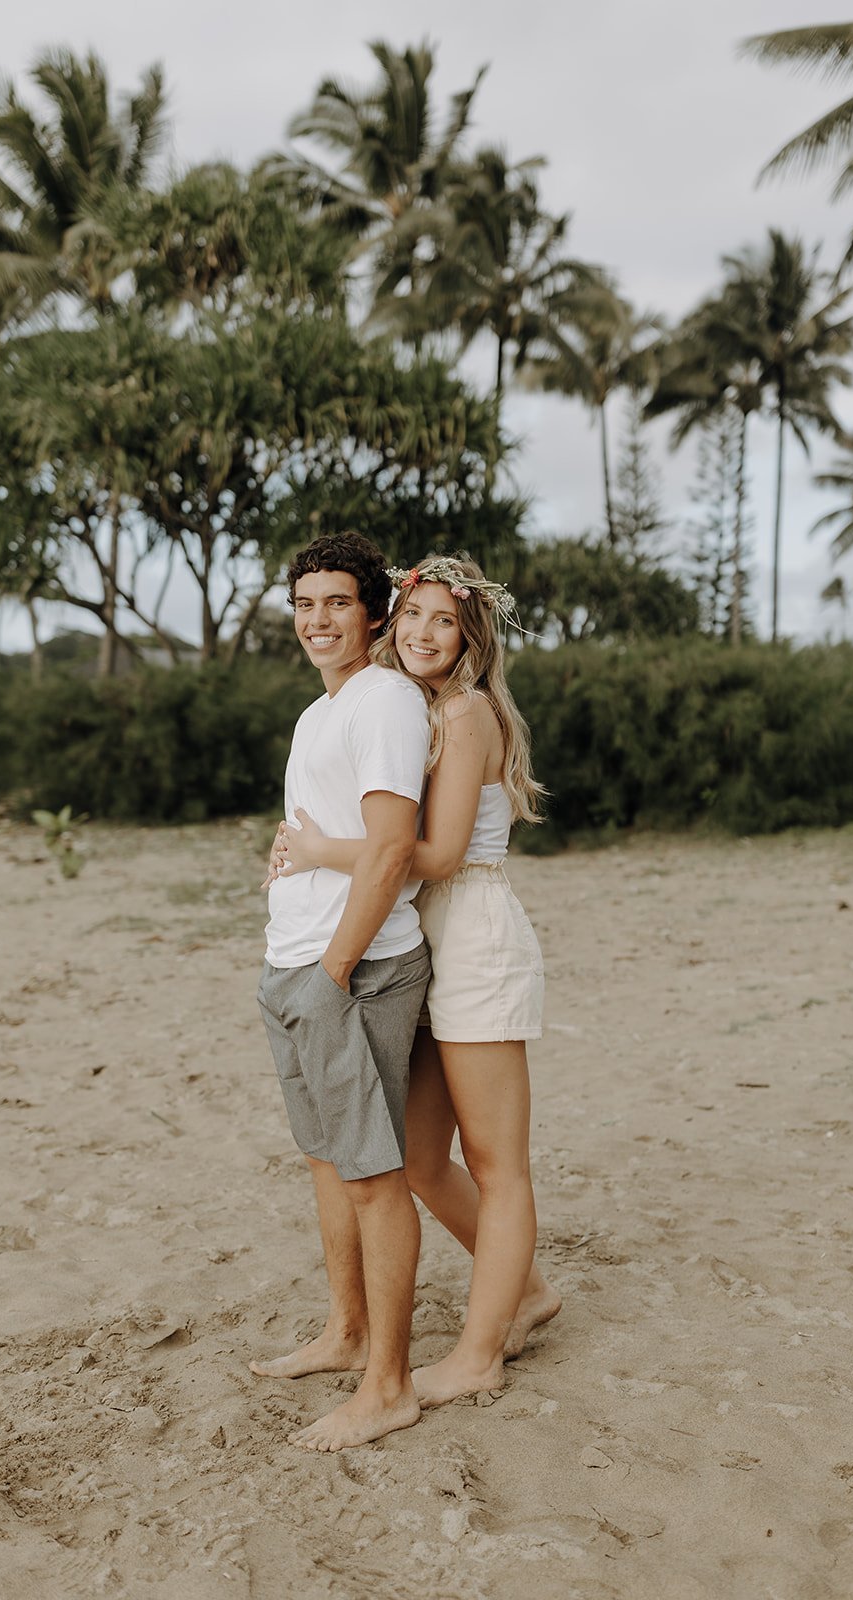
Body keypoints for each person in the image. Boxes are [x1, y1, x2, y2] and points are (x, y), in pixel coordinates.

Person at [275, 554, 560, 1407]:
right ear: (391, 624)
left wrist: (316, 847)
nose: (425, 634)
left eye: (446, 621)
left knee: (496, 1162)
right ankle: (531, 1292)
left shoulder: (467, 712)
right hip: (425, 937)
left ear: (470, 636)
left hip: (471, 932)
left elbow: (429, 855)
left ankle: (478, 1353)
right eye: (415, 617)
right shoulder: (411, 710)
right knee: (420, 1162)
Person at [252, 531, 432, 1452]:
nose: (318, 620)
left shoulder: (385, 701)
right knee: (328, 1161)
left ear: (372, 614)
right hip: (298, 963)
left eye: (335, 604)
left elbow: (394, 849)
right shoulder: (317, 713)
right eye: (304, 604)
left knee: (372, 1175)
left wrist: (329, 974)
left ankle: (390, 1384)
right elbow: (319, 832)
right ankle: (347, 1332)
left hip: (354, 971)